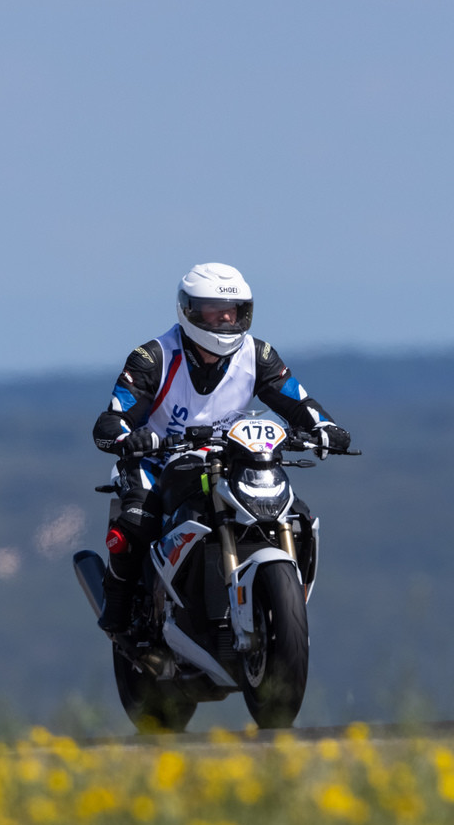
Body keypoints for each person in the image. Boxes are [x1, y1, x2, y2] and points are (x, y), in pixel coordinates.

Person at [91, 262, 351, 633]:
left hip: (231, 461)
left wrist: (323, 428)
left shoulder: (258, 355)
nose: (227, 317)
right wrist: (125, 437)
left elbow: (297, 401)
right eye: (215, 309)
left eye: (235, 309)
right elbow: (112, 419)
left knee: (299, 518)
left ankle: (281, 609)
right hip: (159, 461)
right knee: (137, 521)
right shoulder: (153, 357)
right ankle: (117, 607)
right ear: (190, 310)